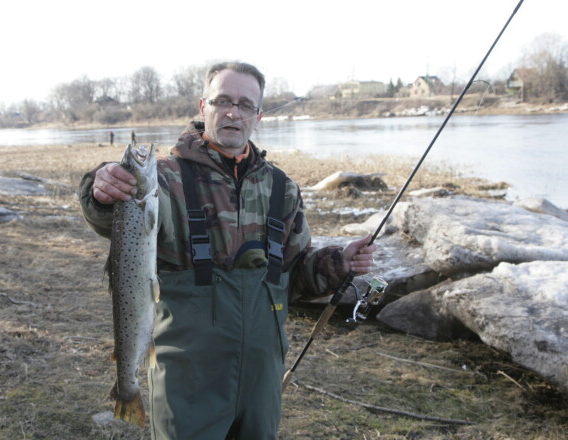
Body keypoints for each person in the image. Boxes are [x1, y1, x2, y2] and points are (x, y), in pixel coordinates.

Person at [78, 61, 376, 439]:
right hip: (187, 376)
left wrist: (339, 262)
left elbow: (295, 278)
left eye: (245, 104)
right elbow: (114, 220)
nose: (233, 112)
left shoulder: (282, 188)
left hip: (261, 375)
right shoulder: (165, 179)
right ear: (203, 108)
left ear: (259, 115)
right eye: (222, 100)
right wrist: (101, 188)